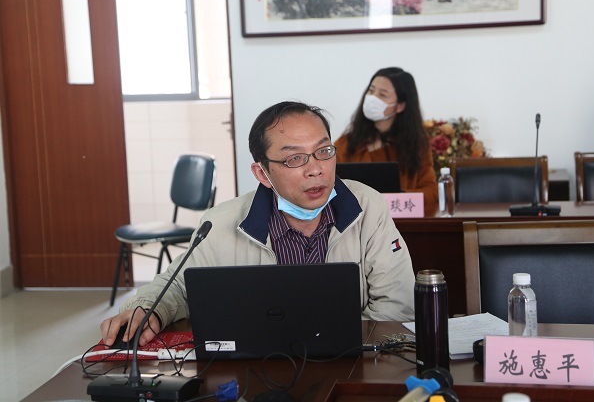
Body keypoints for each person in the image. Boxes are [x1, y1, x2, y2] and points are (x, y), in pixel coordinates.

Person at [101, 101, 415, 347]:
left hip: (349, 362)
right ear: (262, 173)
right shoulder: (221, 224)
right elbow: (179, 286)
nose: (316, 169)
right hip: (258, 367)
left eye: (323, 151)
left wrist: (341, 346)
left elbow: (398, 303)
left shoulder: (367, 207)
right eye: (295, 158)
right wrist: (148, 308)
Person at [334, 67, 438, 216]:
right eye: (371, 91)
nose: (373, 98)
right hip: (356, 223)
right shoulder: (346, 143)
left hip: (401, 223)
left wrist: (399, 197)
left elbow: (432, 192)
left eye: (382, 94)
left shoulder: (416, 145)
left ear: (400, 106)